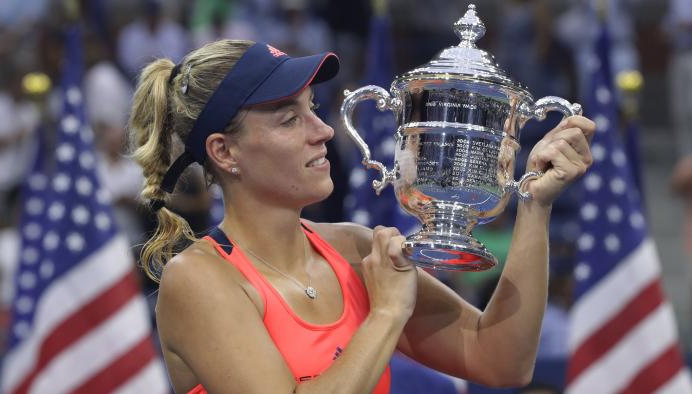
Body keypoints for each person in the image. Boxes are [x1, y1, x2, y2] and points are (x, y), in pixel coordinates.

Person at [128, 39, 595, 393]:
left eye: (312, 109)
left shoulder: (353, 249)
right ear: (224, 151)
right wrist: (387, 313)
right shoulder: (197, 279)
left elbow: (503, 360)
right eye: (289, 119)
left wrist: (535, 204)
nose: (324, 130)